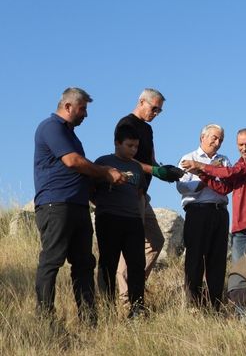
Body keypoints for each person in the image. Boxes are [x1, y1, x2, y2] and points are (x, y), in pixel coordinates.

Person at [33, 87, 126, 324]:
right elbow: (73, 162)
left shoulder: (71, 135)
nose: (85, 114)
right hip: (56, 204)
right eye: (82, 108)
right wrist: (105, 172)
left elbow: (80, 169)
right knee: (52, 261)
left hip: (77, 206)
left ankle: (89, 320)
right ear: (68, 107)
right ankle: (45, 319)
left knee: (84, 264)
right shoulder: (51, 127)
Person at [115, 88, 182, 305]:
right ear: (141, 101)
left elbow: (151, 160)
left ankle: (136, 286)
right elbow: (125, 159)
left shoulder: (148, 130)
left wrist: (166, 171)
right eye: (154, 108)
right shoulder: (126, 124)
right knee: (132, 243)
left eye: (159, 111)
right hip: (128, 191)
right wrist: (155, 171)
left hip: (143, 192)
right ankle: (127, 299)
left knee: (156, 240)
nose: (156, 113)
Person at [181, 128, 246, 263]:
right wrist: (201, 174)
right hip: (239, 226)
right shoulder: (239, 162)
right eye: (241, 145)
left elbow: (232, 172)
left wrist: (201, 166)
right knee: (239, 271)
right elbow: (224, 188)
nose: (244, 148)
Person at [92, 125, 147, 318]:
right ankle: (107, 308)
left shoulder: (137, 166)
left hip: (133, 221)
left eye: (136, 146)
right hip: (109, 219)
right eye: (129, 145)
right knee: (108, 263)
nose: (133, 150)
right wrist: (103, 206)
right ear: (117, 143)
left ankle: (137, 308)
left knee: (137, 264)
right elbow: (91, 190)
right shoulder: (103, 162)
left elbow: (139, 193)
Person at [177, 124, 231, 309]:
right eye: (214, 138)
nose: (217, 143)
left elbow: (226, 183)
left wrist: (201, 171)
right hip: (197, 211)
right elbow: (182, 186)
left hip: (220, 211)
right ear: (202, 137)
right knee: (195, 258)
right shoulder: (188, 158)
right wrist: (209, 172)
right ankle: (193, 304)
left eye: (221, 140)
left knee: (217, 259)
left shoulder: (224, 160)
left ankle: (215, 304)